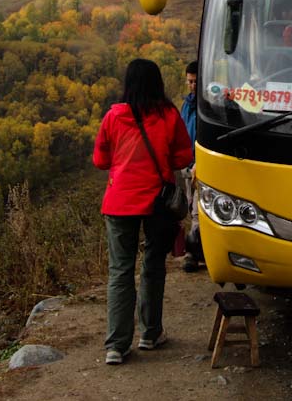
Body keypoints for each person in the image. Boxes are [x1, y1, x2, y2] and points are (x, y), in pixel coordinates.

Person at [93, 58, 194, 365]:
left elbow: (100, 160)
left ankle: (117, 345)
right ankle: (150, 333)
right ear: (157, 83)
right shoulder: (168, 115)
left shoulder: (113, 116)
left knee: (120, 271)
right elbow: (184, 155)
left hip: (119, 202)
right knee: (152, 266)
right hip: (156, 203)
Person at [180, 60, 205, 273]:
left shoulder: (207, 105)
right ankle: (200, 250)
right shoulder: (187, 104)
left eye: (196, 81)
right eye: (189, 81)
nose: (192, 86)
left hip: (204, 166)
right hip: (187, 166)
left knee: (198, 210)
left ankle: (192, 253)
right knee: (191, 207)